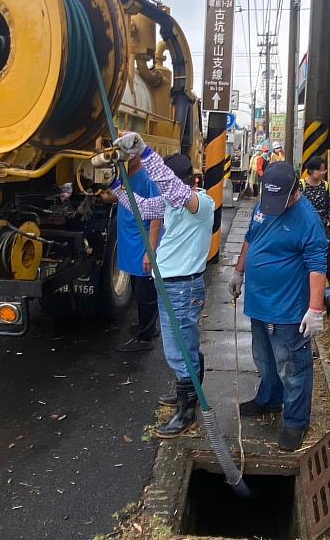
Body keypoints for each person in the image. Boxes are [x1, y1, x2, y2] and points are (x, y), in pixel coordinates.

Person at [111, 133, 215, 439]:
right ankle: (188, 393)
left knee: (178, 350)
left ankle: (187, 413)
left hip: (182, 289)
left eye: (169, 183)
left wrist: (145, 154)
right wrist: (115, 185)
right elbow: (142, 207)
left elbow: (171, 188)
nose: (164, 188)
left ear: (188, 181)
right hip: (172, 285)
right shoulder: (171, 204)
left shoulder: (200, 204)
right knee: (185, 347)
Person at [229, 162, 328, 451]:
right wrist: (238, 270)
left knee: (293, 367)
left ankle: (296, 421)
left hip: (287, 309)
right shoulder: (264, 204)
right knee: (264, 358)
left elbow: (317, 268)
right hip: (258, 302)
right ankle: (269, 398)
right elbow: (251, 237)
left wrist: (315, 309)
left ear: (295, 190)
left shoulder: (308, 220)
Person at [99, 155, 162, 352]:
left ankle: (145, 338)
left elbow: (157, 216)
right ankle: (147, 327)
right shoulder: (126, 174)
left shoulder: (148, 178)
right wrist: (107, 196)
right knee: (137, 284)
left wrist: (150, 251)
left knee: (145, 289)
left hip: (142, 242)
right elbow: (126, 195)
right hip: (130, 241)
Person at [300, 156, 330, 285]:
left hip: (322, 223)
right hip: (306, 224)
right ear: (311, 170)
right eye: (321, 170)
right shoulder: (302, 185)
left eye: (324, 170)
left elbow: (328, 205)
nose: (323, 173)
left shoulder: (325, 185)